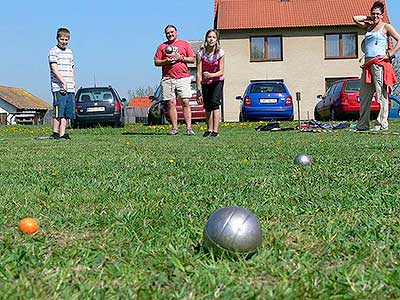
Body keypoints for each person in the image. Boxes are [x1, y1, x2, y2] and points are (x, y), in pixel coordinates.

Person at [353, 1, 399, 132]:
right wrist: (370, 18)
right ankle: (363, 125)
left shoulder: (386, 27)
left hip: (380, 64)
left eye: (378, 14)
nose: (375, 16)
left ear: (382, 15)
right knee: (364, 96)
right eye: (373, 13)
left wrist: (391, 54)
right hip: (367, 64)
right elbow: (355, 18)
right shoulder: (368, 27)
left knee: (381, 95)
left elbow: (399, 39)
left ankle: (382, 123)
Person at [154, 25, 196, 135]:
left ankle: (188, 128)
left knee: (185, 101)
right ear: (165, 34)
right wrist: (166, 61)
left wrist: (180, 58)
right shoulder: (162, 46)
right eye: (168, 33)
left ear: (176, 32)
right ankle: (175, 128)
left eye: (172, 32)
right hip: (168, 78)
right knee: (171, 103)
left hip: (183, 77)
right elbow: (156, 62)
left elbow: (192, 59)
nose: (170, 34)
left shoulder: (184, 44)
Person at [48, 27, 76, 140]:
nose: (64, 42)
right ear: (57, 38)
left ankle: (62, 133)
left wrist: (73, 81)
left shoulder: (70, 52)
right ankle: (55, 133)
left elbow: (72, 67)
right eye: (62, 39)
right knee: (59, 111)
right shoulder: (53, 51)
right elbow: (54, 68)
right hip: (58, 87)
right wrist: (63, 82)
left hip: (69, 87)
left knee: (66, 112)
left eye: (66, 40)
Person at [196, 29, 225, 137]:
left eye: (213, 37)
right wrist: (198, 90)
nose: (211, 39)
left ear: (216, 40)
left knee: (215, 104)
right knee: (207, 106)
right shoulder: (200, 53)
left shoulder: (220, 53)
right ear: (206, 39)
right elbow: (198, 73)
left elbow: (222, 71)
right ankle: (209, 129)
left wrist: (211, 75)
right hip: (205, 82)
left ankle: (215, 131)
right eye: (209, 37)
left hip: (217, 80)